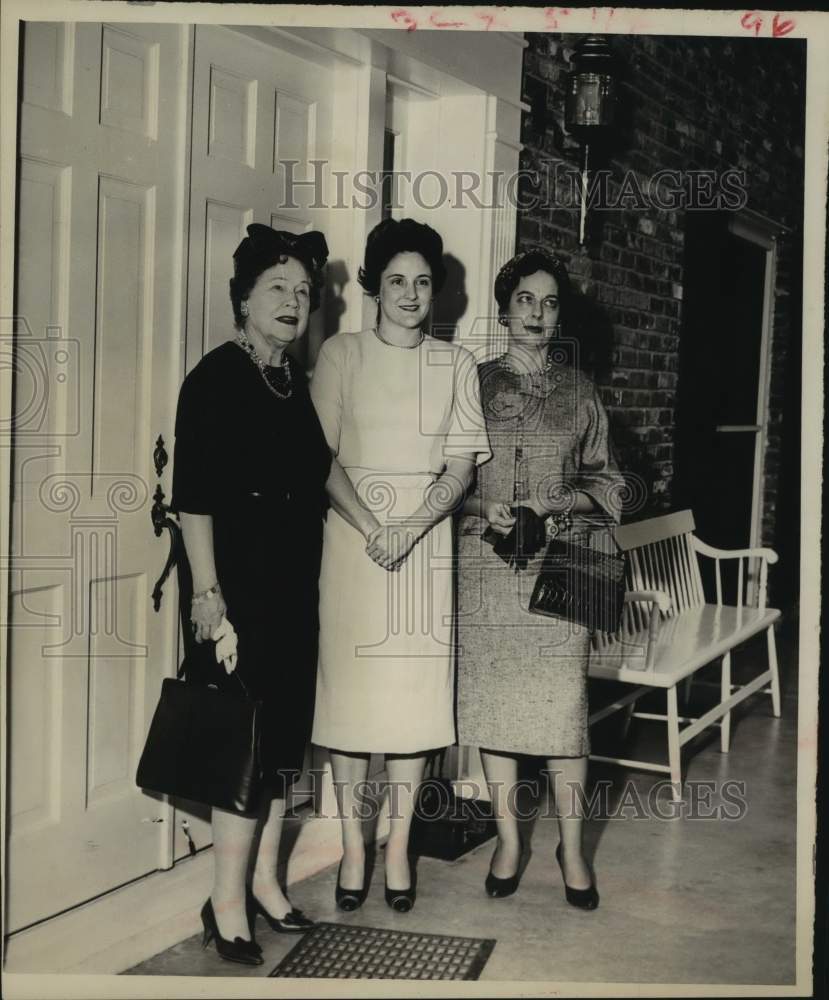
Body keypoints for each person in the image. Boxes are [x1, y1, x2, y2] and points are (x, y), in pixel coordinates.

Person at [309, 218, 491, 913]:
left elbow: (457, 467)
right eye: (396, 282)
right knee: (351, 703)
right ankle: (353, 849)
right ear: (373, 288)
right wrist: (371, 526)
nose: (410, 295)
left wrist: (411, 527)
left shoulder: (455, 365)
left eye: (422, 282)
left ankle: (395, 848)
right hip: (353, 546)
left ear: (435, 290)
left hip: (423, 548)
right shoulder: (340, 354)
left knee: (413, 707)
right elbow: (319, 457)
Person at [171, 224, 332, 964]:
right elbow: (194, 499)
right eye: (277, 288)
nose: (293, 303)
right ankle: (226, 903)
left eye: (303, 292)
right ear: (242, 298)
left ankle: (267, 883)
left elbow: (317, 475)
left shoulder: (289, 379)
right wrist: (208, 596)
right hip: (234, 592)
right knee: (240, 749)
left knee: (278, 748)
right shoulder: (213, 380)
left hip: (292, 591)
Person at [455, 247, 624, 910]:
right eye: (525, 299)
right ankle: (508, 841)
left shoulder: (580, 393)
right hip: (489, 567)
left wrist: (558, 501)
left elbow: (609, 485)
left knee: (564, 719)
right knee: (495, 712)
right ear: (504, 308)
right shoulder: (470, 383)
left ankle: (572, 850)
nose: (537, 313)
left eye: (549, 302)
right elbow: (449, 480)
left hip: (565, 565)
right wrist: (479, 504)